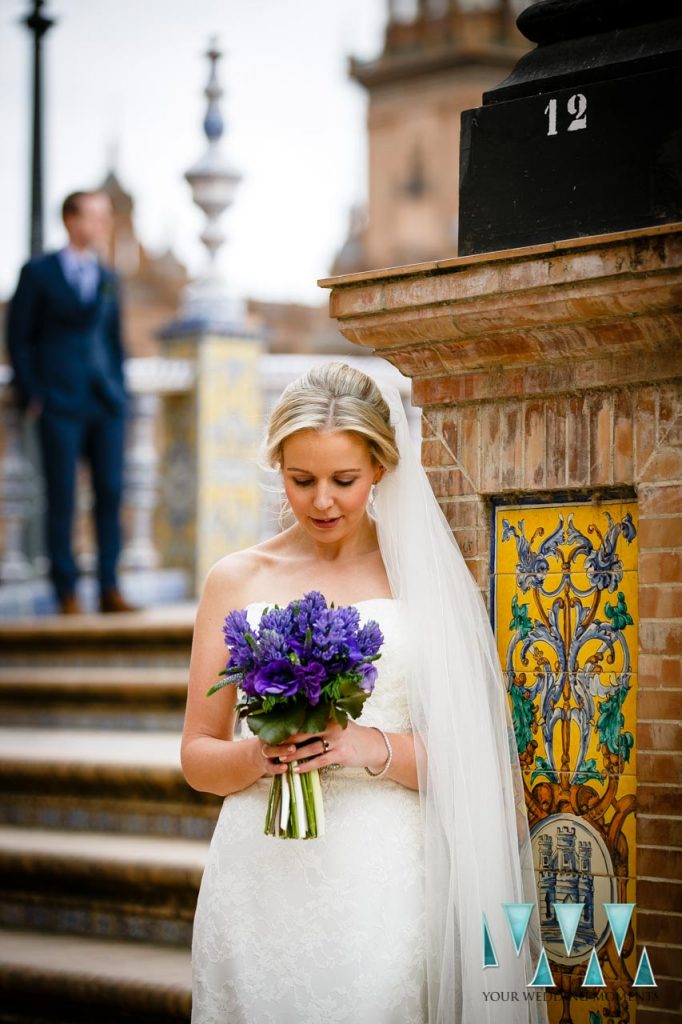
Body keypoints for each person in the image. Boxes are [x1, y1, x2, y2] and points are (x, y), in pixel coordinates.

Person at [182, 362, 548, 1024]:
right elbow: (196, 754)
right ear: (279, 470)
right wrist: (256, 757)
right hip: (257, 880)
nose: (323, 500)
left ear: (380, 468)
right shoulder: (234, 580)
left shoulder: (424, 581)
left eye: (343, 481)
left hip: (379, 882)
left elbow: (475, 761)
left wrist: (364, 744)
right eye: (302, 480)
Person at [6, 190, 137, 614]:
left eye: (105, 218)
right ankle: (65, 590)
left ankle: (109, 588)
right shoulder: (38, 272)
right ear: (70, 220)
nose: (101, 225)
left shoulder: (108, 276)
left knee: (111, 492)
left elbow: (115, 341)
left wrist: (119, 389)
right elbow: (19, 339)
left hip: (105, 403)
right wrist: (35, 395)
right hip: (59, 403)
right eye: (94, 217)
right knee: (61, 495)